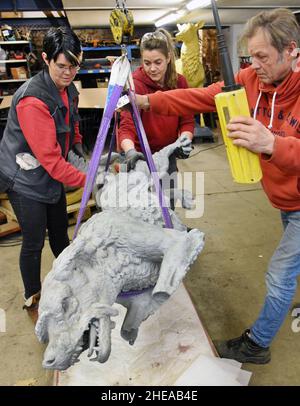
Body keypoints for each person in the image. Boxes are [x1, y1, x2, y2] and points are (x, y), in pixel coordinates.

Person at [133, 8, 300, 364]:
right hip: (287, 199)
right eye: (250, 56)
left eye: (262, 57)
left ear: (292, 51)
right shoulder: (253, 79)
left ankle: (257, 345)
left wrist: (271, 144)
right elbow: (202, 97)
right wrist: (148, 101)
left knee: (280, 273)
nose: (253, 65)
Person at [0, 27, 86, 322]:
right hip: (24, 179)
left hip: (50, 173)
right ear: (46, 59)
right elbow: (50, 161)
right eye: (61, 65)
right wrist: (91, 180)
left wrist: (78, 150)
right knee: (34, 241)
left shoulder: (69, 88)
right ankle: (33, 298)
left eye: (74, 65)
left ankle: (69, 281)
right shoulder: (32, 101)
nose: (68, 72)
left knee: (60, 233)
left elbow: (72, 124)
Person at [118, 28, 194, 209]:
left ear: (169, 58)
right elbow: (126, 126)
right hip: (140, 159)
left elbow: (187, 120)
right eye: (147, 62)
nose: (152, 68)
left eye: (158, 62)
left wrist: (184, 140)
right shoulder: (133, 84)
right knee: (144, 212)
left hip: (167, 157)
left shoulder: (180, 83)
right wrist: (129, 152)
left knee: (168, 209)